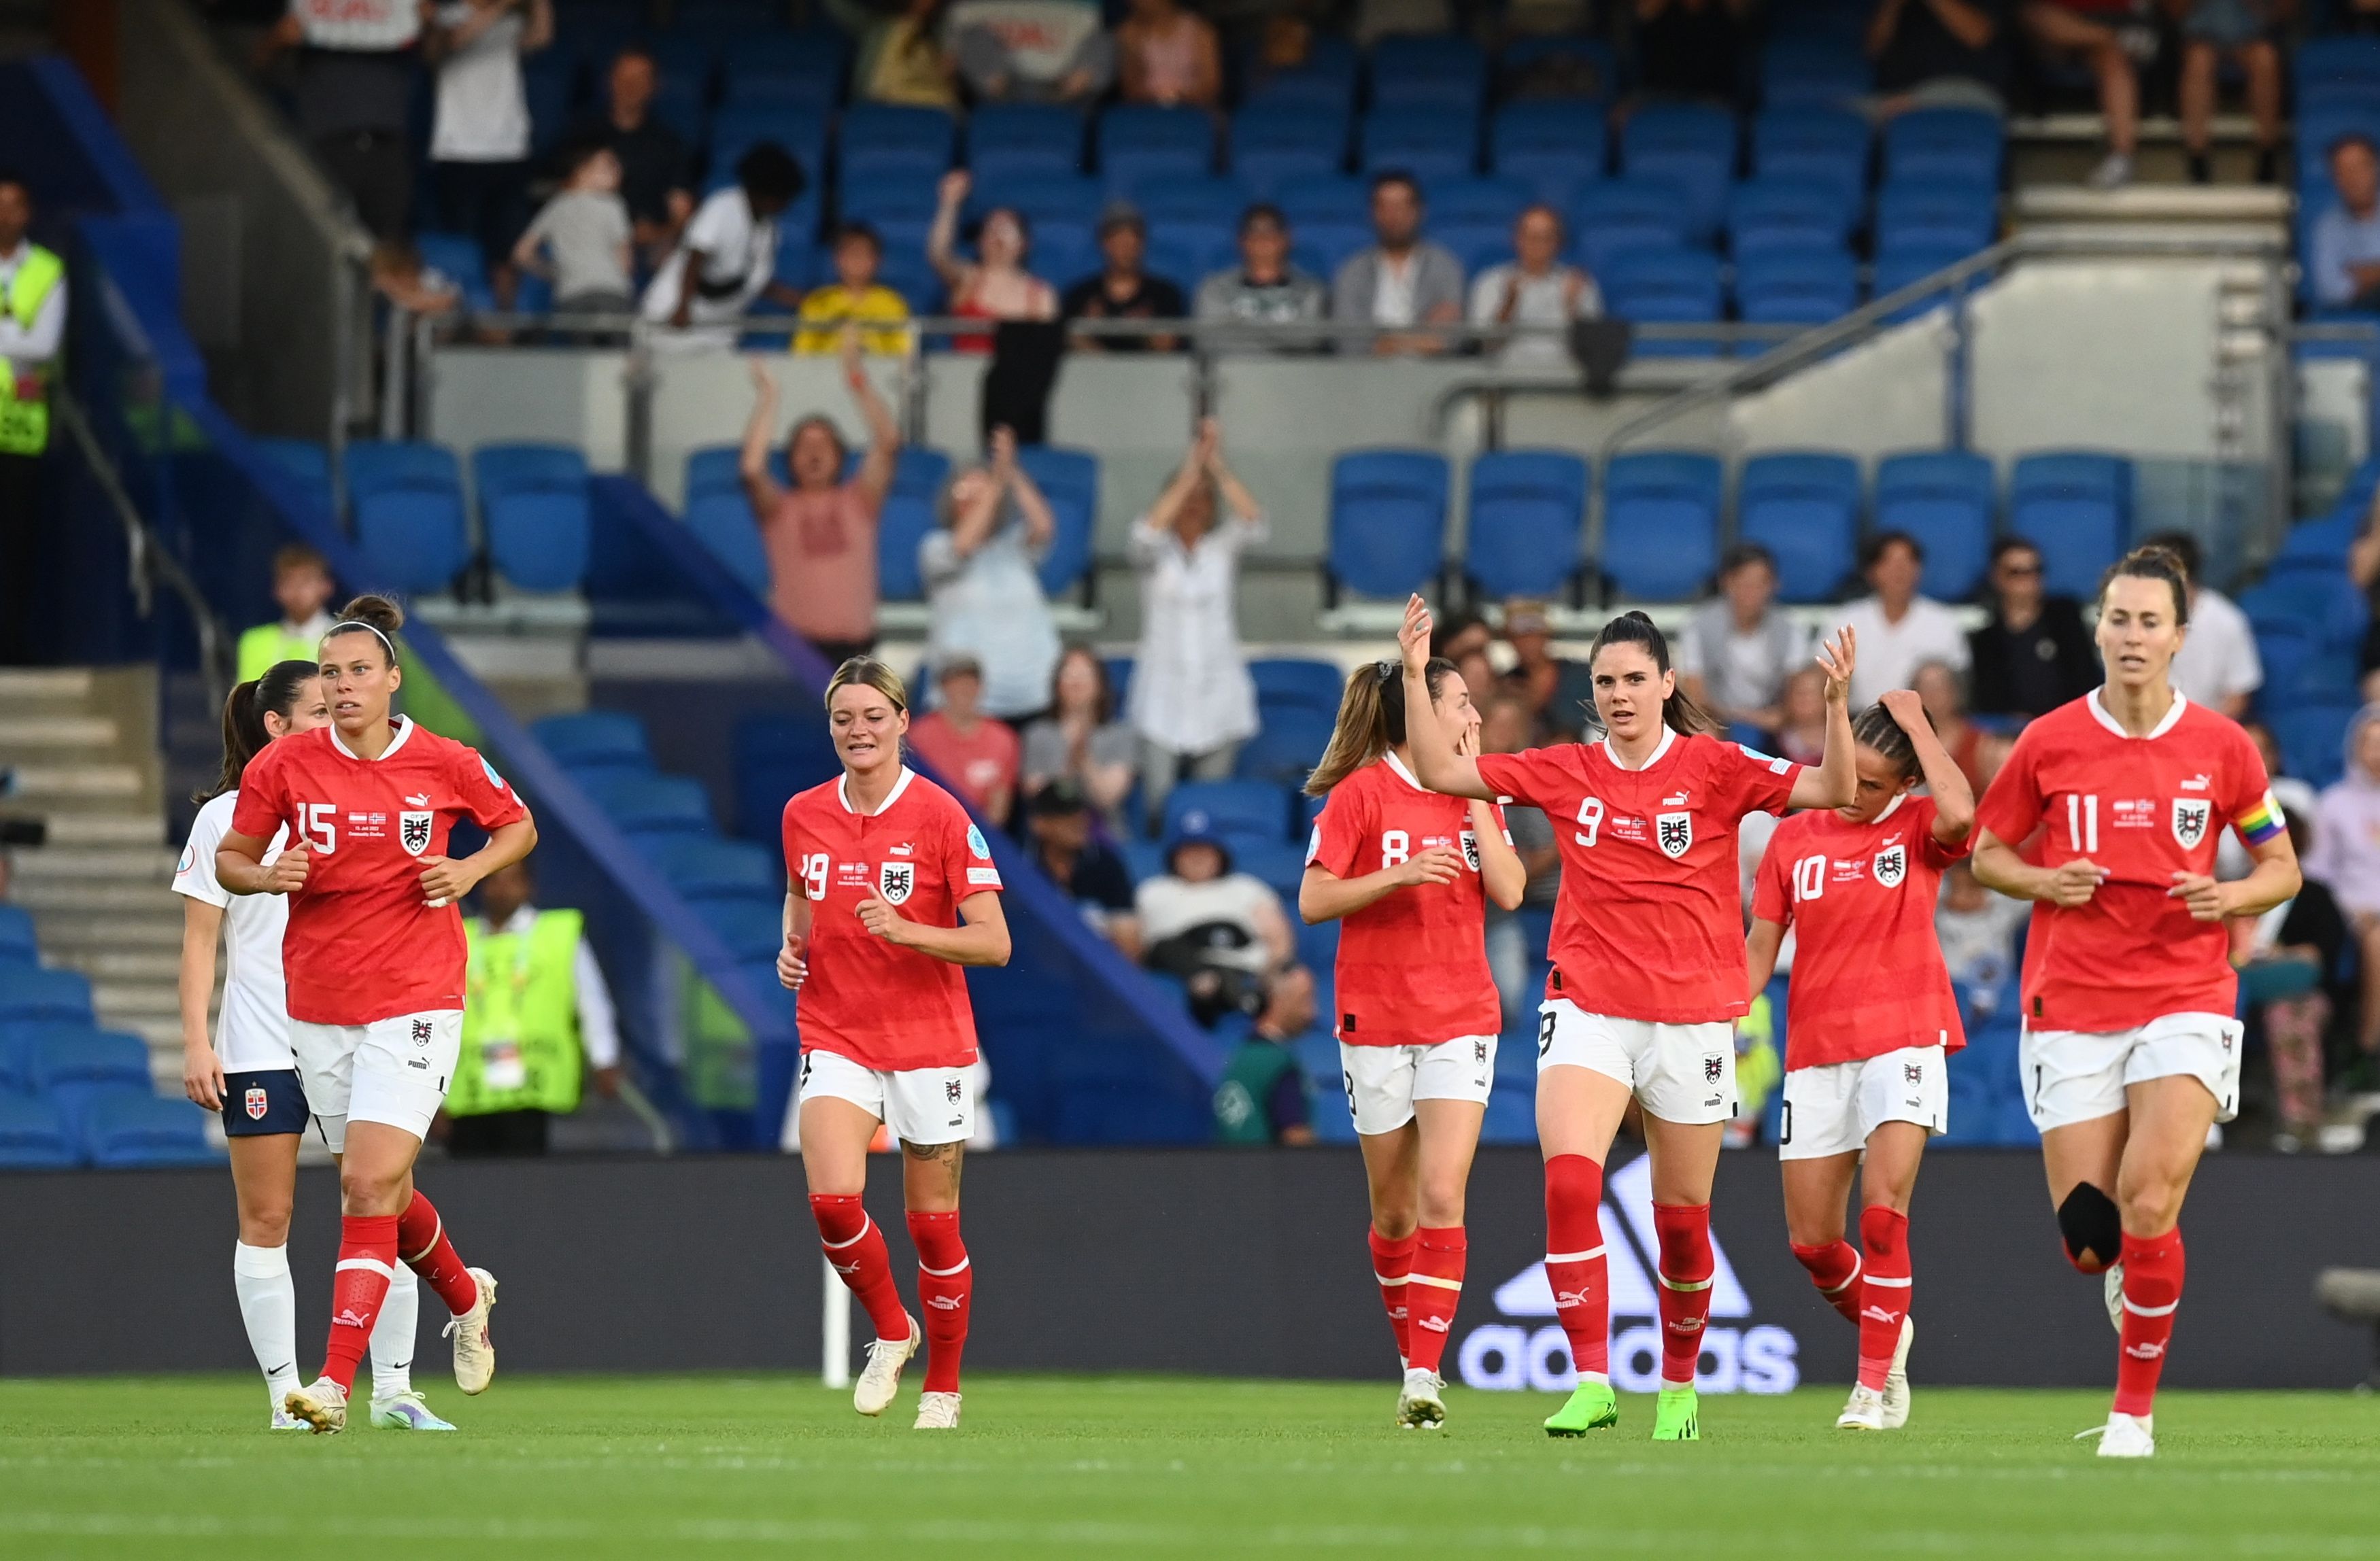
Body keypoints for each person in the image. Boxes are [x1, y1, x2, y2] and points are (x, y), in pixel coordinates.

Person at [1397, 593, 1860, 1440]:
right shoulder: (1566, 769)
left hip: (1691, 1018)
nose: (1617, 693)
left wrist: (1832, 706)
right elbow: (1440, 773)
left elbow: (1835, 787)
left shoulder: (1717, 767)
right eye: (1604, 680)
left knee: (1681, 1227)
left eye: (1633, 678)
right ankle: (1591, 1380)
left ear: (1665, 683)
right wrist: (1407, 666)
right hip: (1587, 1005)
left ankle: (1677, 1389)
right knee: (1570, 1180)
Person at [1969, 545, 2300, 1458]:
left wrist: (2229, 898)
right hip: (2071, 1000)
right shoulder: (2049, 740)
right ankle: (2131, 1269)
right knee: (2089, 1238)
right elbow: (1986, 853)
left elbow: (2282, 866)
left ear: (2180, 638)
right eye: (2119, 618)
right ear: (2100, 628)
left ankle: (2132, 1417)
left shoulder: (2223, 748)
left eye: (2150, 621)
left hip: (2186, 992)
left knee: (2149, 1199)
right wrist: (2043, 880)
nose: (2132, 635)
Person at [215, 595, 537, 1433]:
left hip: (417, 998)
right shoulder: (281, 769)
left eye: (361, 670)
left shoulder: (445, 760)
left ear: (394, 679)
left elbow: (518, 827)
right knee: (381, 1184)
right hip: (318, 1004)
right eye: (332, 672)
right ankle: (468, 1295)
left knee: (364, 1182)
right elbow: (231, 858)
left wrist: (467, 872)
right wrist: (268, 874)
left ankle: (332, 1384)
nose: (346, 684)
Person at [174, 663, 452, 1433]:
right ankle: (287, 1400)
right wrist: (197, 1040)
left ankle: (394, 1388)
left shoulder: (368, 797)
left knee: (379, 1200)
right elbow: (201, 943)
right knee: (267, 1218)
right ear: (276, 726)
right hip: (262, 1040)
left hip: (357, 1032)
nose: (340, 713)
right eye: (320, 706)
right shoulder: (227, 818)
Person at [780, 657, 1013, 1431]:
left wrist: (906, 929)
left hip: (928, 1041)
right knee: (832, 1201)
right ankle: (890, 1328)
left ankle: (942, 1386)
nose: (858, 730)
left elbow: (994, 944)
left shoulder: (941, 815)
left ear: (904, 722)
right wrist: (793, 946)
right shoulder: (802, 812)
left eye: (873, 716)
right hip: (836, 1029)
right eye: (843, 718)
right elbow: (801, 894)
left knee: (932, 1225)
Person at [1300, 657, 1526, 1429]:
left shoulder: (1475, 788)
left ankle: (1425, 1374)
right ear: (1422, 713)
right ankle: (1411, 1359)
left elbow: (1509, 889)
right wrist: (1394, 875)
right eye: (1460, 701)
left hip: (1459, 1016)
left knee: (1439, 1195)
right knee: (1393, 1212)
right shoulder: (1359, 794)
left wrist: (1471, 799)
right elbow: (1312, 898)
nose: (1473, 712)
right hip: (1375, 1018)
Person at [1746, 690, 1975, 1432]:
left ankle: (1870, 1388)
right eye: (1846, 773)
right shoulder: (1792, 836)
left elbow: (1963, 815)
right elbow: (1759, 946)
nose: (1852, 792)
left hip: (1903, 1035)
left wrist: (1915, 721)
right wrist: (1714, 1014)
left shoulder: (1915, 825)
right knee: (1812, 1242)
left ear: (1903, 785)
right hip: (1815, 1048)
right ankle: (1890, 1325)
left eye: (1873, 784)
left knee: (1883, 1214)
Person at [1127, 417, 1265, 821]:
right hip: (1161, 696)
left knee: (1209, 808)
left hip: (1219, 693)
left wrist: (1215, 466)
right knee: (1159, 807)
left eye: (1203, 496)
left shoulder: (1222, 549)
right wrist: (1191, 469)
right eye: (1186, 495)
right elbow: (1148, 533)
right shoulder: (1150, 550)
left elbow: (1254, 522)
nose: (1193, 503)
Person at [444, 856, 622, 1157]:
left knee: (530, 1185)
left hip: (536, 1090)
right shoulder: (460, 938)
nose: (502, 889)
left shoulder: (558, 934)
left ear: (529, 887)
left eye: (511, 880)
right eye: (494, 880)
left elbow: (590, 1000)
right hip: (471, 1093)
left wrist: (603, 1058)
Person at [741, 335, 900, 664]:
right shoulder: (779, 508)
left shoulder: (859, 499)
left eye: (824, 444)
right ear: (790, 460)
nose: (814, 453)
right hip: (794, 651)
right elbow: (753, 469)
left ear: (841, 457)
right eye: (803, 445)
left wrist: (857, 378)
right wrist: (770, 397)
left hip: (856, 654)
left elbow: (887, 442)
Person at [923, 426, 1063, 721]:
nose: (976, 501)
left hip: (1034, 694)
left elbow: (1043, 526)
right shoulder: (936, 547)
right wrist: (995, 483)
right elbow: (963, 544)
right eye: (966, 493)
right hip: (968, 704)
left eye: (982, 493)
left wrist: (1010, 470)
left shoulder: (1012, 546)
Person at [424, 0, 551, 309]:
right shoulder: (448, 16)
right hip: (459, 149)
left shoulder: (510, 20)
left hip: (509, 147)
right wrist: (500, 6)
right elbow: (449, 44)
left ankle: (502, 328)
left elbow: (541, 37)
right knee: (462, 248)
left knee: (507, 248)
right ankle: (461, 323)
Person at [258, 0, 421, 241]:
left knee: (388, 246)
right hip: (326, 147)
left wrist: (427, 23)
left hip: (387, 149)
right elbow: (257, 66)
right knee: (321, 242)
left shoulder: (401, 10)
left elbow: (435, 55)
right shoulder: (304, 14)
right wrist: (278, 38)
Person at [2236, 810, 2347, 1152]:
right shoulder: (2234, 891)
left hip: (2297, 992)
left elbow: (2317, 958)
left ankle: (2303, 1125)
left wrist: (2274, 956)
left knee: (2291, 1014)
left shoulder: (2315, 895)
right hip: (2234, 987)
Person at [640, 143, 806, 346]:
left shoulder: (769, 229)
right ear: (764, 192)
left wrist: (805, 301)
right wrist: (682, 307)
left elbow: (757, 283)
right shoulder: (723, 208)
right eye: (782, 197)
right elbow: (696, 256)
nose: (785, 205)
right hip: (676, 319)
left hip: (719, 328)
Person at [1137, 817, 1297, 1025]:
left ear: (1220, 855)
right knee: (1165, 947)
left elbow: (1279, 938)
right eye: (1189, 850)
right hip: (1183, 964)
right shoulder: (1153, 891)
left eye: (1205, 849)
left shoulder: (1246, 887)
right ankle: (1215, 990)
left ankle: (1231, 994)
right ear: (1174, 856)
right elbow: (1135, 946)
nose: (1197, 857)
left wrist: (1271, 973)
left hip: (1243, 965)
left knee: (1297, 980)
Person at [0, 173, 61, 666]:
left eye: (13, 204)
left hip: (19, 433)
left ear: (28, 213)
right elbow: (26, 342)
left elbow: (43, 346)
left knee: (14, 550)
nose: (5, 214)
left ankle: (10, 649)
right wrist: (13, 332)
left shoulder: (45, 270)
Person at [565, 44, 694, 267]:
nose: (630, 87)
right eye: (623, 78)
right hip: (594, 235)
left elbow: (681, 208)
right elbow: (564, 193)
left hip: (650, 238)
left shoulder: (668, 142)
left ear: (655, 86)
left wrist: (658, 233)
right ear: (609, 81)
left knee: (672, 251)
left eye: (639, 80)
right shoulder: (582, 136)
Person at [1676, 543, 1811, 740]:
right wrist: (1742, 718)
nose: (1752, 592)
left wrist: (1779, 717)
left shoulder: (1791, 629)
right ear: (1726, 582)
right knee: (1700, 732)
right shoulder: (1698, 625)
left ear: (1775, 585)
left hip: (1776, 723)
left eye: (1761, 583)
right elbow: (1695, 692)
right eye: (1744, 583)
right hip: (1715, 719)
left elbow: (1795, 691)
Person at [2307, 705, 2380, 1064]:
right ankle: (2370, 1046)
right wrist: (2351, 909)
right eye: (2372, 744)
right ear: (2356, 748)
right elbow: (2320, 875)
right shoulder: (2335, 803)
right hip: (2353, 909)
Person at [1331, 173, 1465, 357]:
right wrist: (1419, 340)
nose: (1394, 216)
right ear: (1373, 213)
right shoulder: (1352, 270)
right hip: (1365, 376)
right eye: (1385, 207)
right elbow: (1349, 341)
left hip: (1432, 377)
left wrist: (1387, 344)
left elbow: (1450, 339)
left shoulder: (1445, 266)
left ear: (1419, 211)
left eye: (1402, 206)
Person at [1967, 537, 2098, 718]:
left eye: (2036, 570)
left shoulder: (2065, 619)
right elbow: (1988, 702)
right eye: (2017, 572)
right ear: (1997, 577)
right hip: (2015, 735)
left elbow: (2086, 681)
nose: (2029, 579)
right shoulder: (1987, 641)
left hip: (2071, 724)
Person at [1836, 532, 1971, 708]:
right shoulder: (1846, 620)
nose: (1899, 570)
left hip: (1925, 724)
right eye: (1889, 562)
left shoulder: (1943, 623)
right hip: (1857, 723)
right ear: (1871, 572)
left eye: (1907, 561)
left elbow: (1958, 688)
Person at [2016, 0, 2142, 188]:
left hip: (2109, 26)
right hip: (2056, 35)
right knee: (2032, 13)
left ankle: (2121, 158)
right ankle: (2116, 37)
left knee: (2112, 60)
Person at [929, 171, 1059, 351]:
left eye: (1007, 230)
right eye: (991, 230)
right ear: (980, 242)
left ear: (1024, 243)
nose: (998, 237)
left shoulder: (1041, 295)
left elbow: (1047, 349)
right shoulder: (968, 280)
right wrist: (949, 203)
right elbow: (939, 255)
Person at [2143, 532, 2261, 719]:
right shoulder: (2135, 622)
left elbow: (2239, 695)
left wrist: (2201, 733)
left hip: (2208, 731)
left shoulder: (2227, 621)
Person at [1467, 205, 1597, 370]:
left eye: (1546, 238)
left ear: (1559, 242)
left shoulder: (1579, 284)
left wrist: (1572, 307)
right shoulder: (1490, 282)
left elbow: (1593, 351)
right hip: (1506, 381)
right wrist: (1508, 305)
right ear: (1516, 239)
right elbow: (1483, 347)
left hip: (1564, 383)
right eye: (1531, 237)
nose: (1538, 246)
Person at [1020, 645, 1137, 827]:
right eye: (1069, 675)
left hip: (1105, 835)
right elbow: (1033, 792)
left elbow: (1108, 798)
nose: (1076, 683)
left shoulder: (1119, 734)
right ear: (1057, 684)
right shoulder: (1038, 733)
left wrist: (1084, 760)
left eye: (1084, 675)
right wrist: (1066, 763)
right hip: (1053, 832)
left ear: (1100, 684)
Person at [511, 141, 632, 313]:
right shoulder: (613, 205)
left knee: (578, 340)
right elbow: (625, 260)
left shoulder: (555, 206)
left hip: (570, 293)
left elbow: (521, 253)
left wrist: (554, 274)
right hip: (612, 291)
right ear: (582, 172)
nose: (618, 171)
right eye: (608, 166)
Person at [1025, 778, 1139, 956]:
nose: (1078, 821)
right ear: (1040, 824)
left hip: (1097, 966)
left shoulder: (1105, 862)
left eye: (1080, 813)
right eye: (1064, 815)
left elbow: (1129, 939)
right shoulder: (1023, 865)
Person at [2175, 0, 2281, 186]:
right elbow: (2174, 11)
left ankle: (2267, 155)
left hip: (2251, 39)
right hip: (2201, 39)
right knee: (2198, 62)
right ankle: (2197, 158)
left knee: (2266, 59)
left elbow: (2285, 12)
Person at [907, 655, 1022, 827]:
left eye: (971, 682)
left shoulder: (1002, 739)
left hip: (981, 835)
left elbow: (998, 812)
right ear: (944, 687)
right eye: (957, 682)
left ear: (980, 687)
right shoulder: (919, 736)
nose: (965, 689)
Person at [1213, 963, 1321, 1146]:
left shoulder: (1240, 1058)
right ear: (1278, 1000)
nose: (1313, 1013)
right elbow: (1296, 1139)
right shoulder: (1278, 1064)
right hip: (1268, 1171)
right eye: (1305, 999)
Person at [1194, 204, 1329, 349]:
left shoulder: (1311, 290)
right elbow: (1210, 341)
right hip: (1231, 370)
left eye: (1271, 230)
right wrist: (1281, 331)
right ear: (1241, 240)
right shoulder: (1215, 289)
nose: (1262, 238)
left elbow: (1308, 341)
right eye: (1253, 231)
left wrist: (1240, 325)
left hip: (1292, 371)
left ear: (1287, 238)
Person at [1061, 205, 1185, 352]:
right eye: (1117, 239)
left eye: (1133, 238)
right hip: (1091, 373)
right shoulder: (1080, 296)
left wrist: (1145, 332)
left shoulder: (1165, 294)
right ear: (1104, 244)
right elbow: (1067, 343)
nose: (1126, 247)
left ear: (1143, 243)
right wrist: (1089, 335)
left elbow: (1170, 348)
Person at [951, 0, 1117, 104]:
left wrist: (1068, 89)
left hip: (1068, 98)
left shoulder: (1085, 5)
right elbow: (949, 60)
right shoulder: (967, 6)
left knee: (1104, 42)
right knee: (975, 37)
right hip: (995, 96)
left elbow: (1099, 45)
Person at [1867, 0, 2012, 115]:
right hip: (1897, 95)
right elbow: (1874, 50)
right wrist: (1891, 5)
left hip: (1966, 95)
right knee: (1851, 120)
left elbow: (1979, 36)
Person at [794, 224, 913, 356]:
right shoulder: (818, 301)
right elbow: (802, 352)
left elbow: (904, 351)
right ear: (837, 259)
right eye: (851, 254)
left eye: (863, 254)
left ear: (878, 260)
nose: (857, 261)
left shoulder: (892, 303)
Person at [236, 545, 335, 683]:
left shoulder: (345, 639)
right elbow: (246, 700)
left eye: (306, 581)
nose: (298, 590)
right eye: (289, 582)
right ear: (276, 589)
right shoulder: (254, 642)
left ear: (327, 586)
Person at [1501, 601, 1595, 743]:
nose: (1528, 642)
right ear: (1510, 639)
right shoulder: (1505, 685)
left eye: (1534, 633)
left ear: (1546, 635)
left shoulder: (1581, 676)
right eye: (1520, 636)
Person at [1633, 0, 1753, 105]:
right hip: (1659, 93)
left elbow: (1742, 11)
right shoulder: (1658, 9)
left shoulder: (1725, 10)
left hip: (1717, 96)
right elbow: (1642, 13)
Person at [2311, 135, 2380, 312]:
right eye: (2344, 170)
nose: (2353, 179)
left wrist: (2361, 274)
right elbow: (2330, 290)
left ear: (2375, 168)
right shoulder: (2327, 226)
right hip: (2351, 322)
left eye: (2359, 168)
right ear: (2334, 177)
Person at [857, 0, 961, 107]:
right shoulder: (883, 31)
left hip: (932, 108)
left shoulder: (930, 41)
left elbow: (943, 86)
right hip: (887, 106)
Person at [1117, 0, 1221, 106]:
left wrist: (1179, 98)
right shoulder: (1128, 33)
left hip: (1194, 108)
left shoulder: (1201, 31)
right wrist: (1159, 98)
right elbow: (1130, 86)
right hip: (1146, 109)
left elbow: (1211, 84)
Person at [1910, 660, 1986, 792]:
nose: (1933, 696)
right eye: (1925, 688)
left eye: (1939, 688)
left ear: (1955, 692)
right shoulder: (1902, 743)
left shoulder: (1980, 743)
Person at [1775, 666, 1831, 766]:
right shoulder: (1774, 742)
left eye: (1810, 693)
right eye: (1799, 693)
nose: (1805, 700)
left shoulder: (1843, 739)